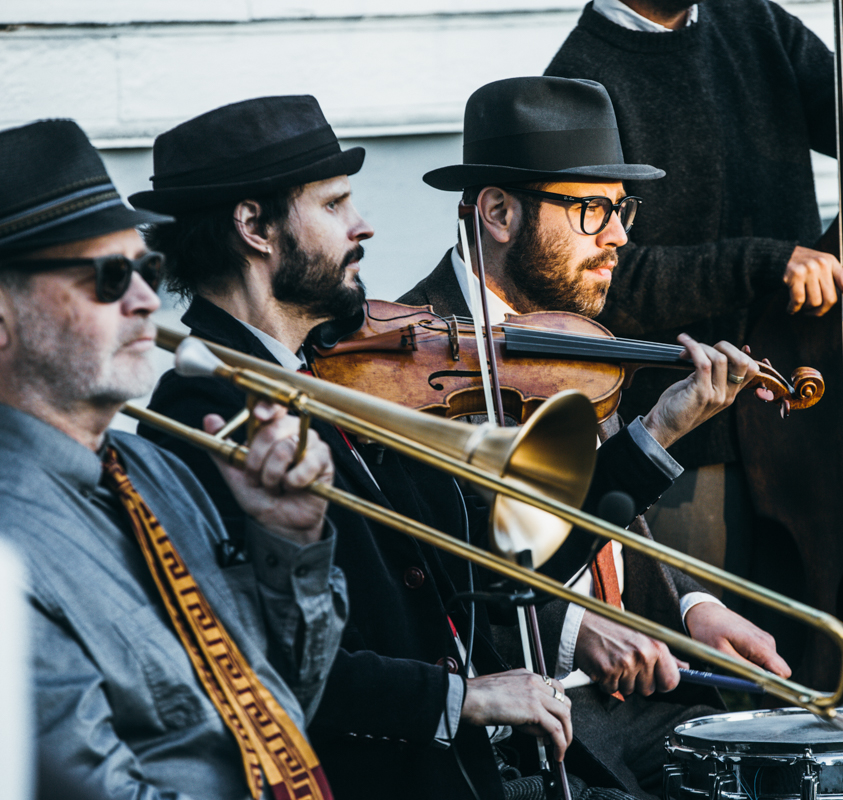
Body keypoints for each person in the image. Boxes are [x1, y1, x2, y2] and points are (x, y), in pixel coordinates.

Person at [131, 94, 731, 800]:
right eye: (333, 206)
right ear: (254, 227)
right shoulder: (202, 415)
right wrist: (463, 698)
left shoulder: (340, 381)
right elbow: (249, 664)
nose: (363, 226)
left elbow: (508, 564)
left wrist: (655, 436)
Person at [408, 76, 793, 800]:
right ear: (497, 212)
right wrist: (576, 631)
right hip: (528, 720)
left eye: (621, 210)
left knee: (798, 749)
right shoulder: (409, 361)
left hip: (638, 697)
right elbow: (439, 552)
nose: (619, 237)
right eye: (591, 209)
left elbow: (614, 513)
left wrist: (690, 608)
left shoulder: (579, 338)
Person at [543, 0, 843, 663]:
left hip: (805, 416)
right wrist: (762, 263)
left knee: (816, 665)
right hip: (691, 447)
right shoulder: (580, 79)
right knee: (716, 684)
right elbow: (607, 283)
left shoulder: (758, 24)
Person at [0, 118, 347, 800]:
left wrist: (291, 540)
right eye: (106, 276)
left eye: (146, 268)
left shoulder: (153, 470)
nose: (146, 300)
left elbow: (284, 701)